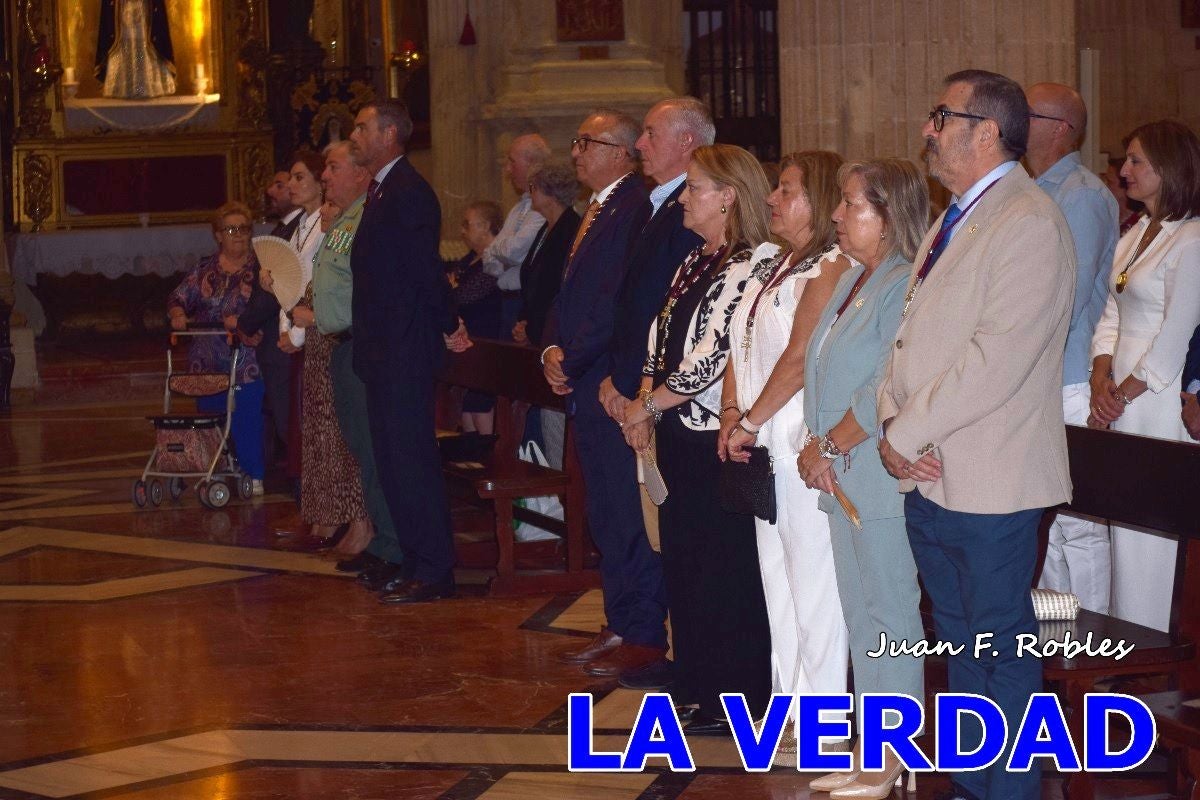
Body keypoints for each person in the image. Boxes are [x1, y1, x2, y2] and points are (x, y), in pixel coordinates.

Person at [877, 69, 1075, 800]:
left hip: (991, 476)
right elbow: (910, 336)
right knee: (962, 645)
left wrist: (906, 427)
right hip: (934, 468)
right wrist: (893, 423)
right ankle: (973, 782)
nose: (929, 130)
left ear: (986, 131)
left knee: (999, 648)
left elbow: (998, 356)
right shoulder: (958, 213)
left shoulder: (1027, 219)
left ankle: (1012, 793)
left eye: (942, 116)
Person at [618, 144, 773, 736]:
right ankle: (698, 681)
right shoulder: (693, 258)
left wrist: (649, 403)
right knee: (682, 559)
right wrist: (643, 398)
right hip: (674, 430)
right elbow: (662, 337)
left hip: (717, 432)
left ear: (728, 196)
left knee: (724, 565)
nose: (684, 197)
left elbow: (717, 353)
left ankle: (736, 691)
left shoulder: (755, 263)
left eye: (695, 187)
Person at [797, 159, 929, 796]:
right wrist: (812, 444)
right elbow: (820, 367)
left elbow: (885, 381)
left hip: (874, 470)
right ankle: (871, 749)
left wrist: (829, 443)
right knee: (860, 612)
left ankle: (894, 756)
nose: (838, 215)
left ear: (890, 213)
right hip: (839, 473)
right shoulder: (856, 278)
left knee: (891, 611)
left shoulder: (905, 283)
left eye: (852, 205)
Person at [723, 151, 850, 740]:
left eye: (788, 189)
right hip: (763, 439)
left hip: (801, 440)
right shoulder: (775, 262)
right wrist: (733, 414)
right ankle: (789, 711)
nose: (772, 198)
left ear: (820, 200)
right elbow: (739, 344)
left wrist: (750, 420)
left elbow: (799, 358)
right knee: (777, 581)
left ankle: (823, 723)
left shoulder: (829, 266)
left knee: (815, 586)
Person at [543, 109, 665, 677]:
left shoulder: (631, 207)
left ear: (619, 152)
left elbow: (617, 300)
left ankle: (641, 629)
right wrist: (549, 349)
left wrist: (577, 356)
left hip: (605, 381)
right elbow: (565, 293)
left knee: (624, 510)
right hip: (583, 379)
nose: (575, 153)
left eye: (584, 142)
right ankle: (620, 621)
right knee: (606, 512)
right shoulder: (594, 209)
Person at [596, 96, 711, 691]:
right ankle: (669, 646)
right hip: (637, 390)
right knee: (649, 527)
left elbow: (679, 324)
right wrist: (616, 383)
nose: (639, 145)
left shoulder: (688, 221)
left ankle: (682, 651)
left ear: (688, 142)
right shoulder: (653, 206)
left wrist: (640, 391)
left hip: (669, 402)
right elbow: (633, 303)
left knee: (672, 532)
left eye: (649, 134)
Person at [1089, 119, 1200, 632]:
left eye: (1136, 161)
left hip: (1156, 397)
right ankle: (1124, 634)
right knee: (1121, 524)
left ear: (1170, 168)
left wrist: (1124, 393)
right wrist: (1099, 377)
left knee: (1152, 529)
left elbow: (1177, 334)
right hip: (1121, 392)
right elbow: (1111, 313)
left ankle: (1151, 639)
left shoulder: (1193, 238)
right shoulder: (1136, 232)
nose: (1124, 170)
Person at [349, 99, 460, 604]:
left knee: (412, 461)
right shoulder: (381, 190)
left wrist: (449, 323)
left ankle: (435, 569)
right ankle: (413, 559)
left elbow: (423, 271)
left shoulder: (409, 192)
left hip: (404, 353)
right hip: (382, 352)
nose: (355, 135)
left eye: (362, 127)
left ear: (389, 133)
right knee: (392, 462)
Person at [1025, 82, 1119, 615]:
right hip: (1039, 380)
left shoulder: (1080, 194)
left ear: (1061, 128)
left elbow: (1068, 296)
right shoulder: (1031, 189)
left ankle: (1095, 652)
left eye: (1028, 114)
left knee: (1078, 526)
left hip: (1068, 379)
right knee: (1050, 525)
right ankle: (1062, 648)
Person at [308, 141, 408, 590]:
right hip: (343, 343)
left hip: (362, 343)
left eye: (333, 167)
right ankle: (382, 542)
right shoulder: (346, 218)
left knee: (373, 448)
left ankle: (391, 546)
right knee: (361, 449)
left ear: (359, 173)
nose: (324, 176)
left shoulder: (367, 216)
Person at [167, 202, 266, 491]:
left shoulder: (260, 268)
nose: (238, 235)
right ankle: (213, 472)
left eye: (244, 229)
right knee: (209, 422)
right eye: (231, 229)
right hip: (206, 360)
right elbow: (178, 298)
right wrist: (177, 314)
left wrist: (245, 321)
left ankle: (253, 474)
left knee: (246, 419)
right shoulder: (204, 269)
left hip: (245, 358)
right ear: (218, 235)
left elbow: (270, 304)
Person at [448, 200, 505, 434]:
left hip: (488, 342)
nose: (462, 230)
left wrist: (451, 290)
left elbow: (462, 295)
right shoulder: (469, 258)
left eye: (467, 224)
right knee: (466, 407)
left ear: (485, 226)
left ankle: (489, 461)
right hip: (468, 345)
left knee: (479, 403)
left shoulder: (495, 260)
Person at [513, 162, 581, 349]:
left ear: (551, 194)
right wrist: (524, 322)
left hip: (551, 330)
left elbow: (554, 286)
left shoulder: (571, 229)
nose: (529, 192)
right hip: (534, 325)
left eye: (534, 187)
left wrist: (533, 329)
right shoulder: (546, 227)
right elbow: (531, 279)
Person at [96, 0, 175, 99]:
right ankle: (125, 89)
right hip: (123, 16)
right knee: (124, 46)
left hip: (144, 15)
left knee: (142, 48)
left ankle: (142, 88)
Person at [1102, 157, 1145, 236]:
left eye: (1110, 182)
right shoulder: (1107, 216)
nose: (1105, 187)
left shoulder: (1140, 221)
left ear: (1126, 185)